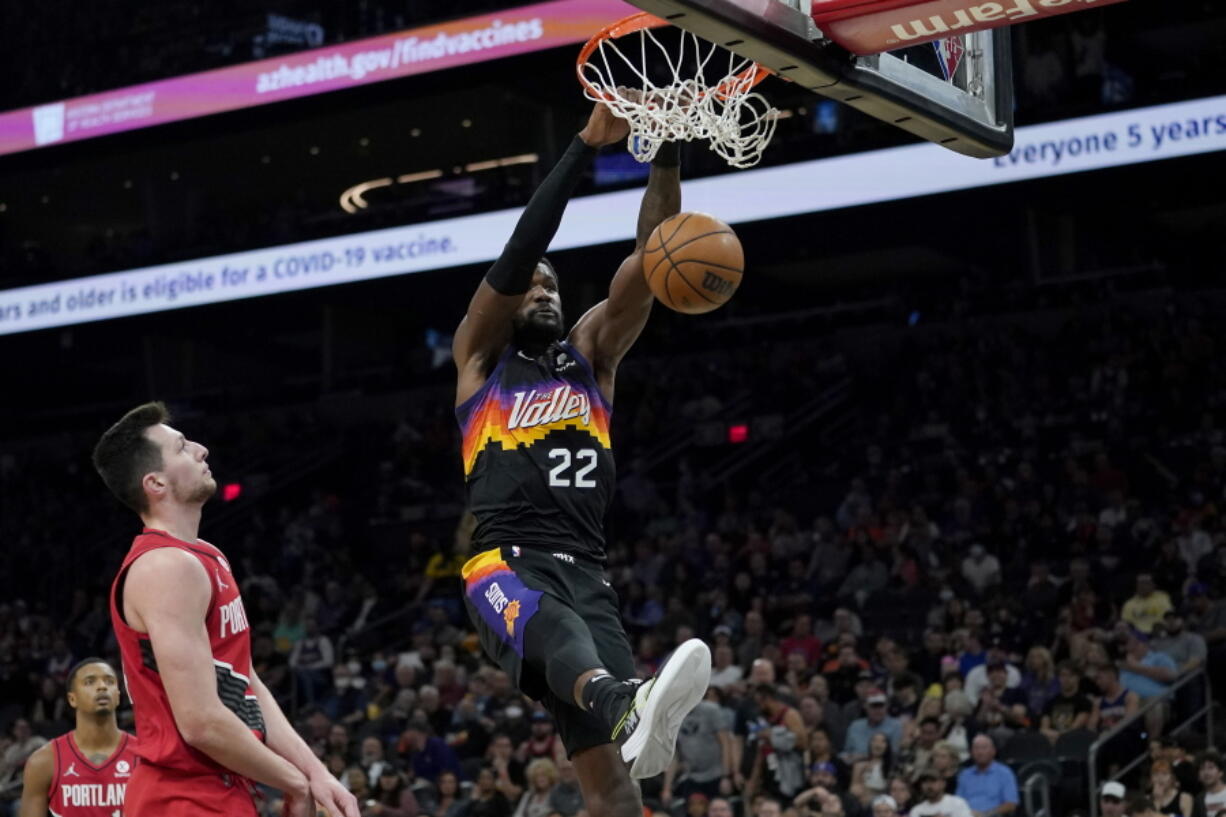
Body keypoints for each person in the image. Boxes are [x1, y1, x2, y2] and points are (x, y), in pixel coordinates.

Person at [451, 96, 710, 817]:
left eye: (553, 283)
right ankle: (621, 697)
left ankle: (624, 703)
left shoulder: (591, 355)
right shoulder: (479, 362)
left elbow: (654, 259)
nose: (542, 288)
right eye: (531, 283)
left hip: (588, 573)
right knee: (587, 667)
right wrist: (583, 148)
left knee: (616, 780)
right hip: (505, 563)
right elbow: (517, 252)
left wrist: (662, 148)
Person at [93, 402, 358, 817]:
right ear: (156, 483)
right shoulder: (165, 567)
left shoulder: (205, 556)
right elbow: (200, 722)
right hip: (180, 796)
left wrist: (316, 773)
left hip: (222, 788)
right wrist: (293, 781)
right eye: (182, 448)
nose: (201, 450)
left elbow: (245, 682)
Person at [18, 658, 139, 817]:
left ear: (117, 696)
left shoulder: (144, 756)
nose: (102, 686)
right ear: (72, 699)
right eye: (90, 682)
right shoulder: (44, 761)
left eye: (109, 681)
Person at [954, 735, 1017, 817]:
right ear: (971, 753)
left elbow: (1011, 805)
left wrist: (984, 815)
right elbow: (957, 802)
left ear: (993, 751)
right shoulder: (965, 774)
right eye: (976, 748)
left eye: (984, 748)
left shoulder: (1005, 773)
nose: (980, 752)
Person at [842, 689, 902, 763]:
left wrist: (864, 757)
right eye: (874, 706)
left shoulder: (896, 725)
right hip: (854, 768)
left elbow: (894, 754)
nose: (877, 710)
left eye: (881, 706)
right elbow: (846, 752)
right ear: (865, 706)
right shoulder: (855, 726)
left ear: (887, 706)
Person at [1040, 661, 1092, 743]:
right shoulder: (1050, 702)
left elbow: (1075, 728)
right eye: (1063, 675)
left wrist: (1058, 736)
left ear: (1078, 677)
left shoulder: (1084, 702)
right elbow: (1043, 728)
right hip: (1050, 741)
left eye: (1070, 675)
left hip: (1073, 742)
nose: (1066, 679)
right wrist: (1052, 735)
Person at [908, 772, 972, 817]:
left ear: (943, 784)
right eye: (925, 782)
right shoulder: (917, 810)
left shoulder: (958, 803)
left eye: (933, 781)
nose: (929, 786)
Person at [1195, 750, 1226, 817]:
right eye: (1202, 768)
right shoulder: (1199, 799)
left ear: (1221, 772)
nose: (1206, 772)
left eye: (1211, 767)